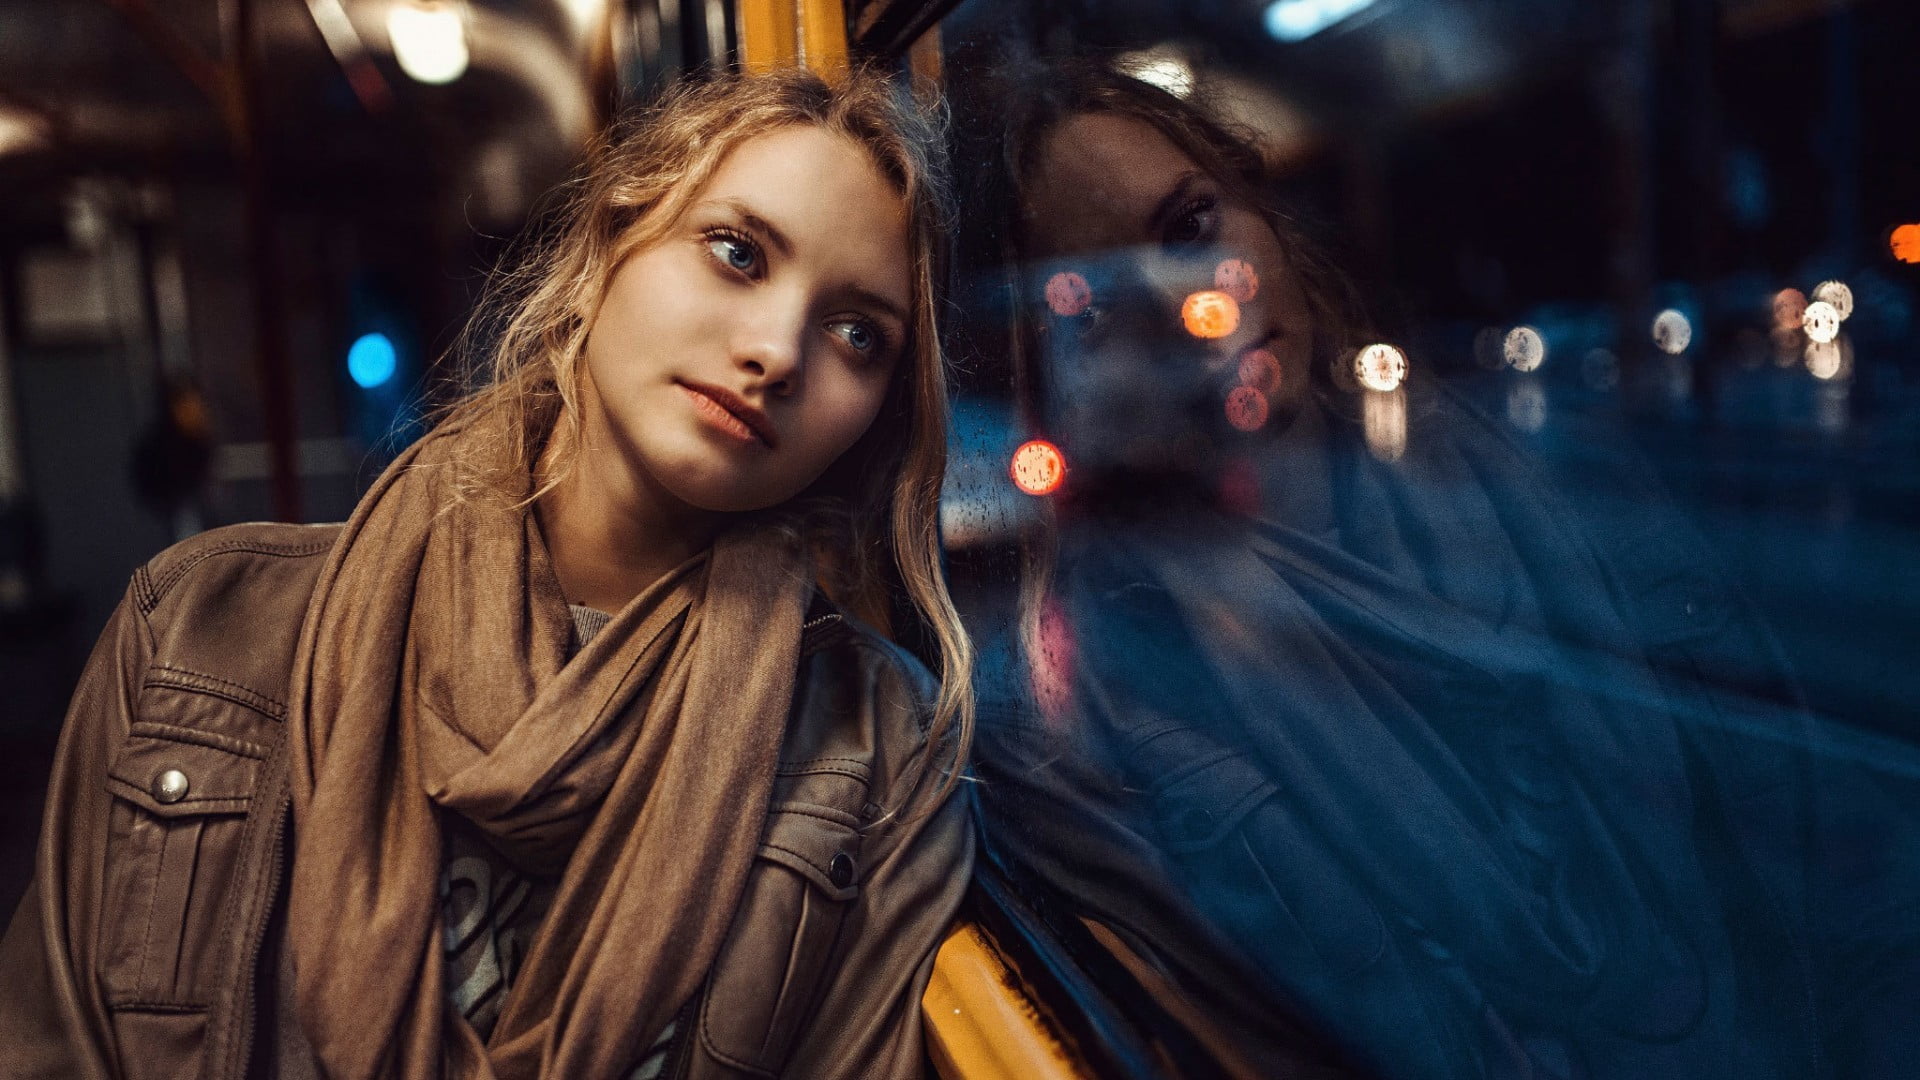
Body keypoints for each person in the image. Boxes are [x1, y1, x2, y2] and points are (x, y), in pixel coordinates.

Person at [945, 55, 1918, 1079]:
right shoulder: (1096, 695)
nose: (1197, 308)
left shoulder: (1514, 485)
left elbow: (1815, 843)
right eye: (1097, 303)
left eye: (1191, 228)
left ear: (1263, 215)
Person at [0, 66, 975, 1080]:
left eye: (859, 333)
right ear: (609, 245)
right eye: (736, 252)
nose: (777, 350)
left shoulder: (885, 756)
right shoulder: (200, 628)